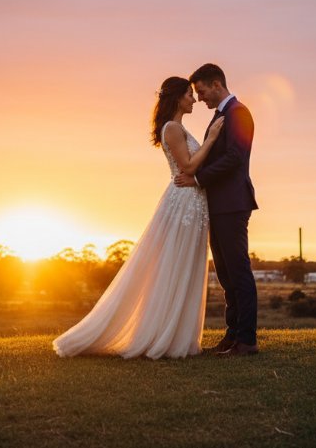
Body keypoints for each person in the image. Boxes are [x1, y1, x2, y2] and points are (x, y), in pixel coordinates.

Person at [52, 76, 224, 359]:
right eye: (190, 95)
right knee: (174, 265)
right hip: (183, 203)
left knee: (186, 266)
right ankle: (162, 334)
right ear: (178, 98)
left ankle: (179, 336)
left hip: (194, 202)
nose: (194, 100)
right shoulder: (172, 128)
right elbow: (189, 166)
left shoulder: (179, 128)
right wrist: (213, 138)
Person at [174, 63, 259, 357]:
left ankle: (247, 340)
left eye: (202, 91)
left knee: (238, 271)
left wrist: (197, 178)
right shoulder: (221, 116)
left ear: (216, 84)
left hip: (233, 204)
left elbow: (235, 157)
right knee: (225, 274)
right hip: (219, 204)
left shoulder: (239, 113)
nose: (200, 98)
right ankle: (232, 336)